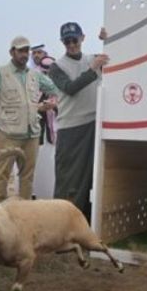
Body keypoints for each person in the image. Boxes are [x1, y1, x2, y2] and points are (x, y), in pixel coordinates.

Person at [0, 36, 58, 201]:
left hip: (32, 135)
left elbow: (54, 87)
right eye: (21, 50)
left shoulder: (34, 74)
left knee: (27, 177)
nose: (24, 54)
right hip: (8, 134)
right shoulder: (0, 73)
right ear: (12, 52)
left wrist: (59, 78)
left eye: (26, 51)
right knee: (1, 176)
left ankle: (23, 215)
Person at [48, 22, 109, 220]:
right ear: (62, 42)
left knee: (92, 177)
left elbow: (115, 58)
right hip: (70, 128)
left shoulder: (93, 59)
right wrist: (92, 71)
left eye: (74, 39)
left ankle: (84, 222)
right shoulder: (56, 67)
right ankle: (59, 222)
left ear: (82, 38)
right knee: (68, 179)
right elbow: (70, 88)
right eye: (67, 41)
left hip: (94, 125)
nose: (71, 44)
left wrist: (108, 40)